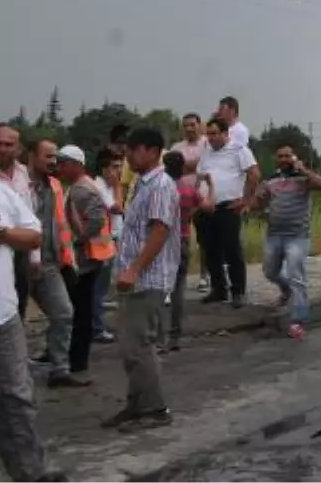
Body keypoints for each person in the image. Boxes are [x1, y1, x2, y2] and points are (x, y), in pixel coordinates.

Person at [102, 127, 179, 433]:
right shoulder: (142, 184)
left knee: (140, 346)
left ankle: (156, 409)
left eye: (132, 151)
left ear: (150, 150)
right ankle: (137, 404)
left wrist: (134, 269)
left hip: (148, 279)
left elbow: (160, 231)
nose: (128, 157)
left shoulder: (160, 185)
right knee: (131, 346)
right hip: (135, 279)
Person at [0, 179, 68, 483]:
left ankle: (31, 474)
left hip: (4, 316)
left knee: (17, 397)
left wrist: (3, 234)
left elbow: (34, 235)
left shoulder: (1, 191)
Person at [25, 139, 86, 388]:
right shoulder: (16, 185)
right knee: (11, 320)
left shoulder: (54, 186)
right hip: (19, 263)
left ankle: (59, 369)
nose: (53, 162)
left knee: (63, 313)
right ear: (32, 156)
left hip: (49, 262)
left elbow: (61, 223)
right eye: (48, 156)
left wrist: (67, 259)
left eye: (55, 157)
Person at [251, 145, 321, 339]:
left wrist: (303, 169)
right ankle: (286, 291)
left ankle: (298, 321)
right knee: (270, 271)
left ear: (294, 158)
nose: (284, 159)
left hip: (297, 236)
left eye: (288, 156)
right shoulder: (271, 180)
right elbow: (257, 205)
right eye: (280, 156)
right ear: (276, 160)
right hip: (275, 235)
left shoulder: (303, 178)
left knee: (296, 274)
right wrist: (258, 201)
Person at [56, 145, 115, 380]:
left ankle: (77, 360)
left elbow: (97, 218)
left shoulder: (82, 189)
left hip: (87, 258)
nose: (59, 168)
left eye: (63, 163)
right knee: (83, 309)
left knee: (81, 311)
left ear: (76, 165)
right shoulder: (83, 186)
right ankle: (75, 358)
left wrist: (79, 240)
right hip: (93, 255)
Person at [196, 118, 259, 308]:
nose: (211, 138)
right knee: (210, 249)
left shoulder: (239, 150)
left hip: (228, 206)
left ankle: (237, 291)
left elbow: (254, 174)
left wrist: (246, 200)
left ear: (225, 134)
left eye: (215, 134)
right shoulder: (206, 152)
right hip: (207, 208)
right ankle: (219, 289)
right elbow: (200, 177)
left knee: (232, 249)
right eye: (209, 134)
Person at [160, 151, 198, 351]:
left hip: (162, 241)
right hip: (182, 239)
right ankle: (175, 336)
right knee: (178, 290)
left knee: (157, 289)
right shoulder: (188, 188)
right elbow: (204, 204)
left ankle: (159, 337)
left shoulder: (161, 188)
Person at [172, 113, 213, 294]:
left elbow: (207, 165)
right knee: (179, 239)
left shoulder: (207, 144)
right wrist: (194, 165)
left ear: (199, 125)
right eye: (185, 125)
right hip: (180, 200)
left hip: (201, 198)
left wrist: (188, 166)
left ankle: (205, 275)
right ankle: (177, 276)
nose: (189, 128)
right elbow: (174, 168)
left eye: (192, 125)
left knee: (204, 240)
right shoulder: (176, 147)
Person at [0, 124, 33, 320]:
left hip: (20, 248)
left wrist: (34, 257)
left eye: (8, 144)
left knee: (19, 302)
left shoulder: (23, 174)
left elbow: (29, 215)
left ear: (18, 148)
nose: (2, 148)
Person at [90, 149, 122, 344]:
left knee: (102, 286)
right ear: (103, 169)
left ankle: (98, 321)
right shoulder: (99, 186)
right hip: (100, 242)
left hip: (111, 238)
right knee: (98, 287)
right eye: (114, 167)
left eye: (120, 166)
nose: (118, 171)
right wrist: (118, 187)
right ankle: (98, 328)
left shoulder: (108, 187)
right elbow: (116, 208)